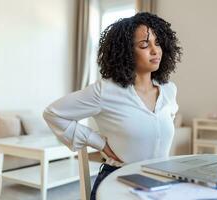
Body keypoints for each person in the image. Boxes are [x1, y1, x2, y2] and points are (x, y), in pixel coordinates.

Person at [43, 12, 182, 200]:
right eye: (144, 45)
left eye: (157, 43)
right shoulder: (106, 91)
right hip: (118, 181)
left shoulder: (169, 91)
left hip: (158, 183)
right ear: (127, 52)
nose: (155, 50)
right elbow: (53, 113)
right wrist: (99, 142)